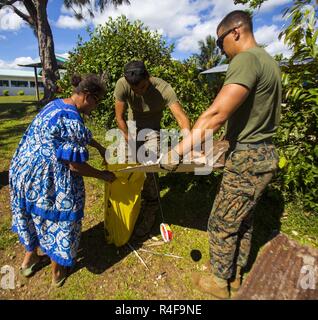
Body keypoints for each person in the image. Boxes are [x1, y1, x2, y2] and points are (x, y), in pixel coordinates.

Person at [164, 10, 282, 299]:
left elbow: (216, 113)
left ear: (236, 32)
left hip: (247, 159)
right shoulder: (269, 61)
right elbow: (251, 117)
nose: (221, 49)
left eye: (220, 43)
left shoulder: (245, 59)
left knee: (221, 222)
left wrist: (177, 152)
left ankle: (219, 282)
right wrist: (224, 142)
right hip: (263, 153)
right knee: (243, 219)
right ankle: (235, 274)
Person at [9, 74, 116, 287]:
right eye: (97, 101)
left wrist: (99, 147)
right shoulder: (72, 118)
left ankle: (29, 261)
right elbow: (74, 165)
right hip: (46, 180)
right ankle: (57, 273)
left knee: (32, 215)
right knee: (61, 221)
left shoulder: (56, 105)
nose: (95, 107)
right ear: (87, 96)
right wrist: (102, 175)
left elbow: (78, 133)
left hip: (23, 172)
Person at [114, 61, 191, 238]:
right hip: (131, 130)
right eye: (135, 90)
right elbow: (119, 117)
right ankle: (128, 204)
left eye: (142, 87)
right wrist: (129, 140)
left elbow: (182, 119)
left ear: (148, 78)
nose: (139, 92)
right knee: (123, 165)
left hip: (152, 132)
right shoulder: (122, 84)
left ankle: (151, 206)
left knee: (150, 166)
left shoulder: (163, 88)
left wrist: (188, 143)